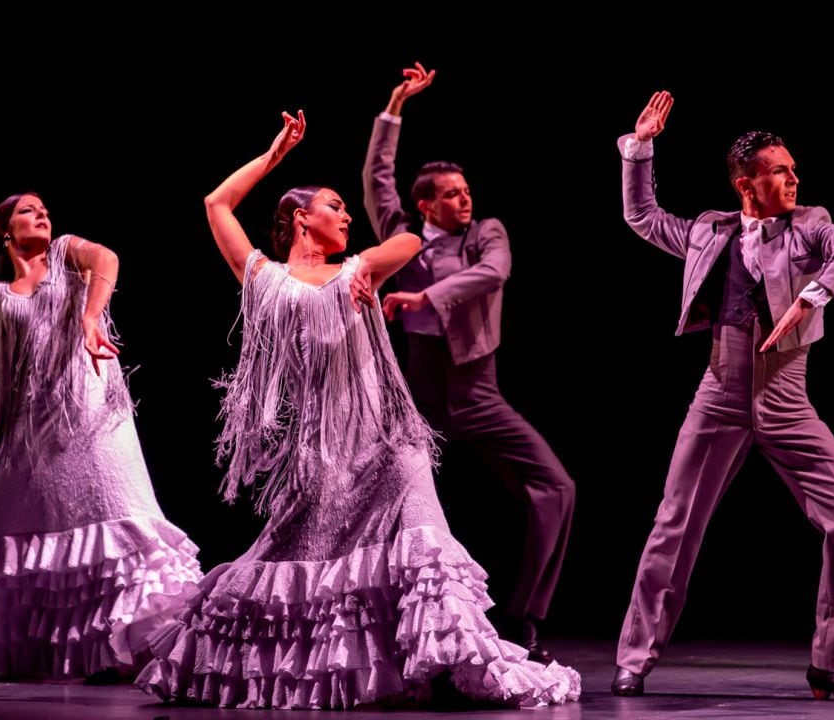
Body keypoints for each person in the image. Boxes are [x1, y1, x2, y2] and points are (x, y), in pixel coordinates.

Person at [135, 111, 580, 709]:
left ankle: (453, 661)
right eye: (336, 207)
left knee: (425, 545)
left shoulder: (356, 270)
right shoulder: (264, 280)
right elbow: (217, 204)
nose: (347, 216)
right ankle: (362, 670)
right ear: (302, 219)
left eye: (347, 209)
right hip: (320, 455)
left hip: (389, 443)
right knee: (298, 558)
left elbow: (410, 240)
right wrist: (273, 156)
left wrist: (366, 269)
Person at [0, 133, 202, 680]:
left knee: (117, 512)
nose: (42, 215)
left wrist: (92, 315)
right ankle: (25, 647)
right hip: (35, 427)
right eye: (29, 211)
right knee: (13, 529)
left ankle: (138, 643)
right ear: (6, 232)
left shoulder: (64, 254)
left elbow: (107, 258)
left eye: (44, 209)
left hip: (93, 408)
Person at [610, 91, 834, 702]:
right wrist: (641, 149)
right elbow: (644, 217)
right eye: (780, 170)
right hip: (720, 392)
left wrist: (814, 296)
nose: (793, 177)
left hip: (787, 398)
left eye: (791, 169)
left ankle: (831, 665)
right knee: (673, 525)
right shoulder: (710, 230)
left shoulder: (810, 225)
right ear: (745, 182)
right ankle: (634, 657)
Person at [362, 63, 575, 664]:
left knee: (555, 488)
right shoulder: (401, 231)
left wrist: (425, 296)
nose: (465, 199)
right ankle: (374, 617)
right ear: (425, 203)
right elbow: (377, 175)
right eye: (452, 194)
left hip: (477, 392)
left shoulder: (486, 233)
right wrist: (394, 107)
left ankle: (525, 617)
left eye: (466, 190)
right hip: (417, 393)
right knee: (373, 498)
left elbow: (494, 273)